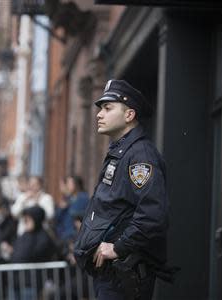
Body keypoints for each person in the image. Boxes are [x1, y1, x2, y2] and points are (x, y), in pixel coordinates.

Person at [74, 79, 169, 300]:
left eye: (108, 108)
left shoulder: (140, 155)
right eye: (100, 109)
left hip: (125, 273)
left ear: (129, 115)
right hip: (111, 274)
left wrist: (117, 248)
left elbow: (153, 215)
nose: (99, 114)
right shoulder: (121, 152)